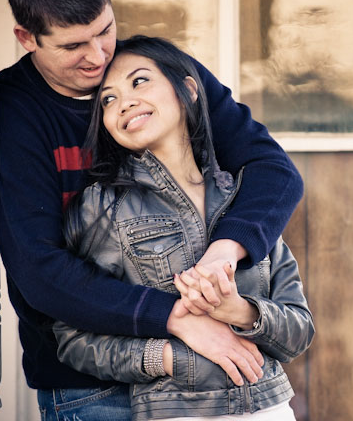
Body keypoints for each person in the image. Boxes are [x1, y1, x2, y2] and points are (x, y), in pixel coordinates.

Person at [0, 0, 303, 418]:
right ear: (26, 37)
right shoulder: (13, 112)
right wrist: (174, 320)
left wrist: (225, 254)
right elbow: (39, 272)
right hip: (91, 384)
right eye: (73, 45)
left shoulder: (156, 71)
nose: (98, 58)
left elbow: (273, 170)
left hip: (225, 379)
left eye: (105, 31)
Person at [53, 35, 314, 420]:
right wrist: (167, 357)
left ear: (188, 90)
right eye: (108, 99)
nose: (123, 102)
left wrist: (240, 311)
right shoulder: (102, 210)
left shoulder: (247, 196)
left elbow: (300, 330)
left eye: (139, 81)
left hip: (270, 408)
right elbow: (72, 338)